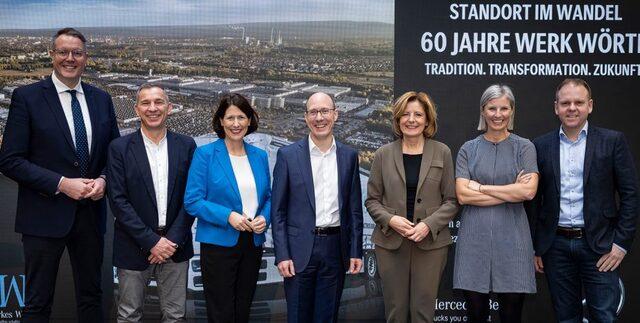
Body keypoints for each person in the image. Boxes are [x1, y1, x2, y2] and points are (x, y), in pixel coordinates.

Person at [0, 27, 119, 322]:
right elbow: (10, 160)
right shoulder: (27, 97)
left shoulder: (101, 99)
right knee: (37, 304)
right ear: (52, 55)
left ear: (86, 58)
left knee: (92, 300)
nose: (70, 58)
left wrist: (104, 180)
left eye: (77, 53)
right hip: (43, 217)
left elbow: (114, 156)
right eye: (63, 52)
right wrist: (62, 184)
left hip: (90, 218)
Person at [527, 78, 639, 323]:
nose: (572, 108)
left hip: (599, 246)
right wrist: (537, 247)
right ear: (556, 107)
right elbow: (535, 201)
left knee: (603, 317)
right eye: (565, 103)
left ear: (590, 105)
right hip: (555, 247)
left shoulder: (612, 141)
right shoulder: (540, 145)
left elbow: (631, 195)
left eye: (578, 102)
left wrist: (620, 245)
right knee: (566, 318)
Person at [365, 91, 458, 323]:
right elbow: (372, 201)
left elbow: (452, 200)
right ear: (397, 120)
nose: (411, 119)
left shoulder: (442, 152)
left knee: (423, 313)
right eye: (405, 114)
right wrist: (390, 220)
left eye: (418, 114)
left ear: (427, 120)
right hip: (391, 244)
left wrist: (428, 225)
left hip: (431, 244)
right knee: (395, 312)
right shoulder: (383, 155)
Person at [107, 83, 196, 322]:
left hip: (176, 247)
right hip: (133, 246)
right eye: (145, 103)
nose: (152, 108)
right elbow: (118, 200)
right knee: (128, 315)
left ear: (170, 107)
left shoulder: (187, 146)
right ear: (137, 109)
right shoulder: (119, 148)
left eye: (159, 102)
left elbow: (192, 198)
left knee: (175, 317)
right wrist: (152, 242)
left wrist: (171, 241)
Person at [271, 92, 363, 322]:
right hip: (298, 251)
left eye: (324, 111)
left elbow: (354, 210)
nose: (319, 117)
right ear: (305, 117)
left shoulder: (349, 156)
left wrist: (355, 250)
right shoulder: (287, 156)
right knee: (299, 316)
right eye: (313, 112)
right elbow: (278, 211)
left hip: (335, 249)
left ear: (335, 114)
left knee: (327, 317)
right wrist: (282, 254)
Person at [453, 84, 538, 323]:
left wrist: (480, 186)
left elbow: (529, 191)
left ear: (512, 111)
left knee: (511, 317)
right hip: (473, 242)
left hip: (513, 242)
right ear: (483, 111)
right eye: (492, 108)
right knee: (476, 317)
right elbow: (462, 195)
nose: (497, 114)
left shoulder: (525, 147)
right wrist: (512, 189)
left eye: (504, 108)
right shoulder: (468, 149)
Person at [184, 93, 271, 323]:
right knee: (221, 312)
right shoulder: (205, 155)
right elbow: (192, 200)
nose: (236, 124)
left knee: (243, 308)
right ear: (221, 121)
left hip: (252, 243)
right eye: (230, 118)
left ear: (250, 120)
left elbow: (269, 198)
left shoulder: (260, 156)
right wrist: (228, 216)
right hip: (218, 245)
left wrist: (265, 217)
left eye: (241, 117)